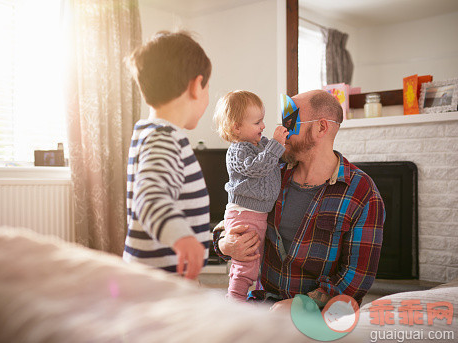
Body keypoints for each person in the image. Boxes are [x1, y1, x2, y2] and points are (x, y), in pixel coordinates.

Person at [213, 89, 385, 309]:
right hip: (262, 302)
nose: (282, 129)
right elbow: (235, 219)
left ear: (321, 127)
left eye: (291, 121)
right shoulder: (273, 172)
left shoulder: (362, 192)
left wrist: (301, 306)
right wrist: (225, 244)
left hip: (318, 312)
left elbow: (356, 280)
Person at [123, 31, 212, 280]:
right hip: (159, 279)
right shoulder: (165, 138)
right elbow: (150, 195)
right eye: (208, 89)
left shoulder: (147, 132)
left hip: (150, 274)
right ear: (196, 86)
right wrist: (182, 237)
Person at [213, 90, 288, 301]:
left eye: (262, 120)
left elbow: (275, 160)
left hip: (257, 214)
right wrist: (276, 144)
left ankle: (245, 299)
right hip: (244, 215)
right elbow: (258, 168)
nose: (263, 126)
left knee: (254, 264)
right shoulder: (237, 150)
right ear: (237, 127)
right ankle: (234, 303)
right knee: (246, 264)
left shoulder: (261, 144)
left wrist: (279, 144)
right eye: (257, 122)